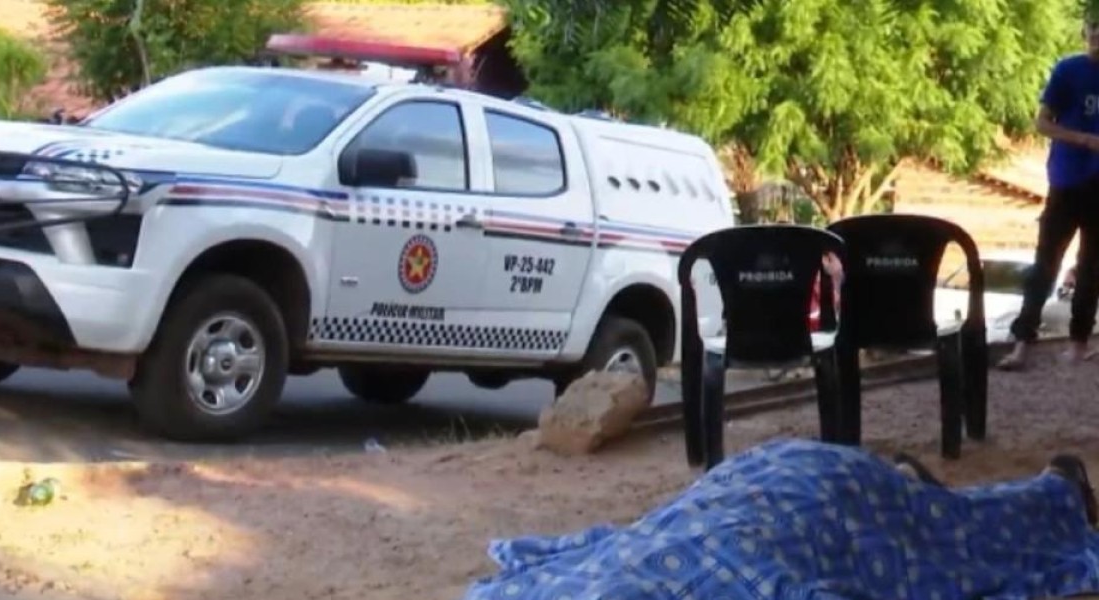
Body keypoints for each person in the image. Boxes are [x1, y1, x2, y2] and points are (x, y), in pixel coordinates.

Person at [464, 439, 1099, 599]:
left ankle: (1058, 491)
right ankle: (913, 485)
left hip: (815, 497)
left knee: (958, 552)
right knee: (947, 530)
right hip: (762, 477)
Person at [999, 17, 1099, 370]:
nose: (1097, 37)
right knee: (1045, 265)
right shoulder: (1069, 70)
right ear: (1085, 33)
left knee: (1090, 269)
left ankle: (1078, 343)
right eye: (1093, 29)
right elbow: (1042, 122)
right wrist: (1083, 139)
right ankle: (1023, 343)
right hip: (1068, 180)